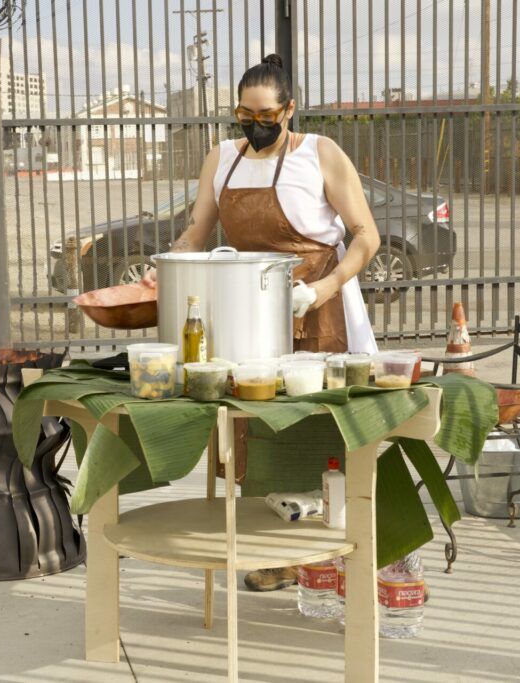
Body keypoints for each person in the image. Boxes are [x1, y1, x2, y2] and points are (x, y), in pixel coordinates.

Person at [143, 53, 381, 591]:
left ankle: (358, 553)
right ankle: (277, 552)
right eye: (243, 114)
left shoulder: (320, 154)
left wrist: (320, 288)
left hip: (318, 305)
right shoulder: (222, 158)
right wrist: (169, 268)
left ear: (289, 110)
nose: (254, 125)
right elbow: (197, 232)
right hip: (246, 311)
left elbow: (366, 236)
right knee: (257, 427)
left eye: (266, 114)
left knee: (328, 427)